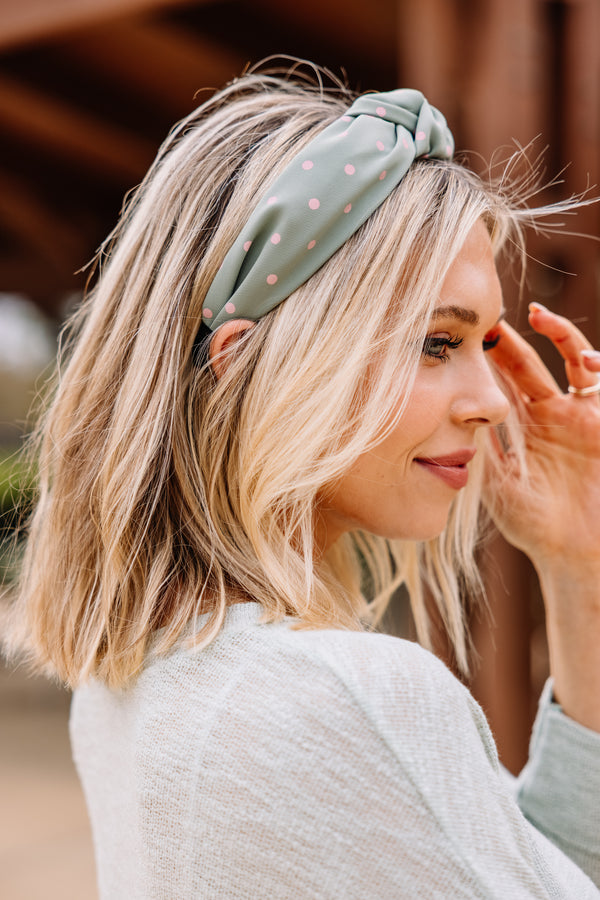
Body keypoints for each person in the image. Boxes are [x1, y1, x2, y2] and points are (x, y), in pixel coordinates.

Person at [4, 64, 600, 898]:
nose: (494, 401)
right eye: (436, 343)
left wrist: (578, 564)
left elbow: (531, 867)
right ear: (249, 365)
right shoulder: (344, 699)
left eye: (487, 344)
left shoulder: (130, 684)